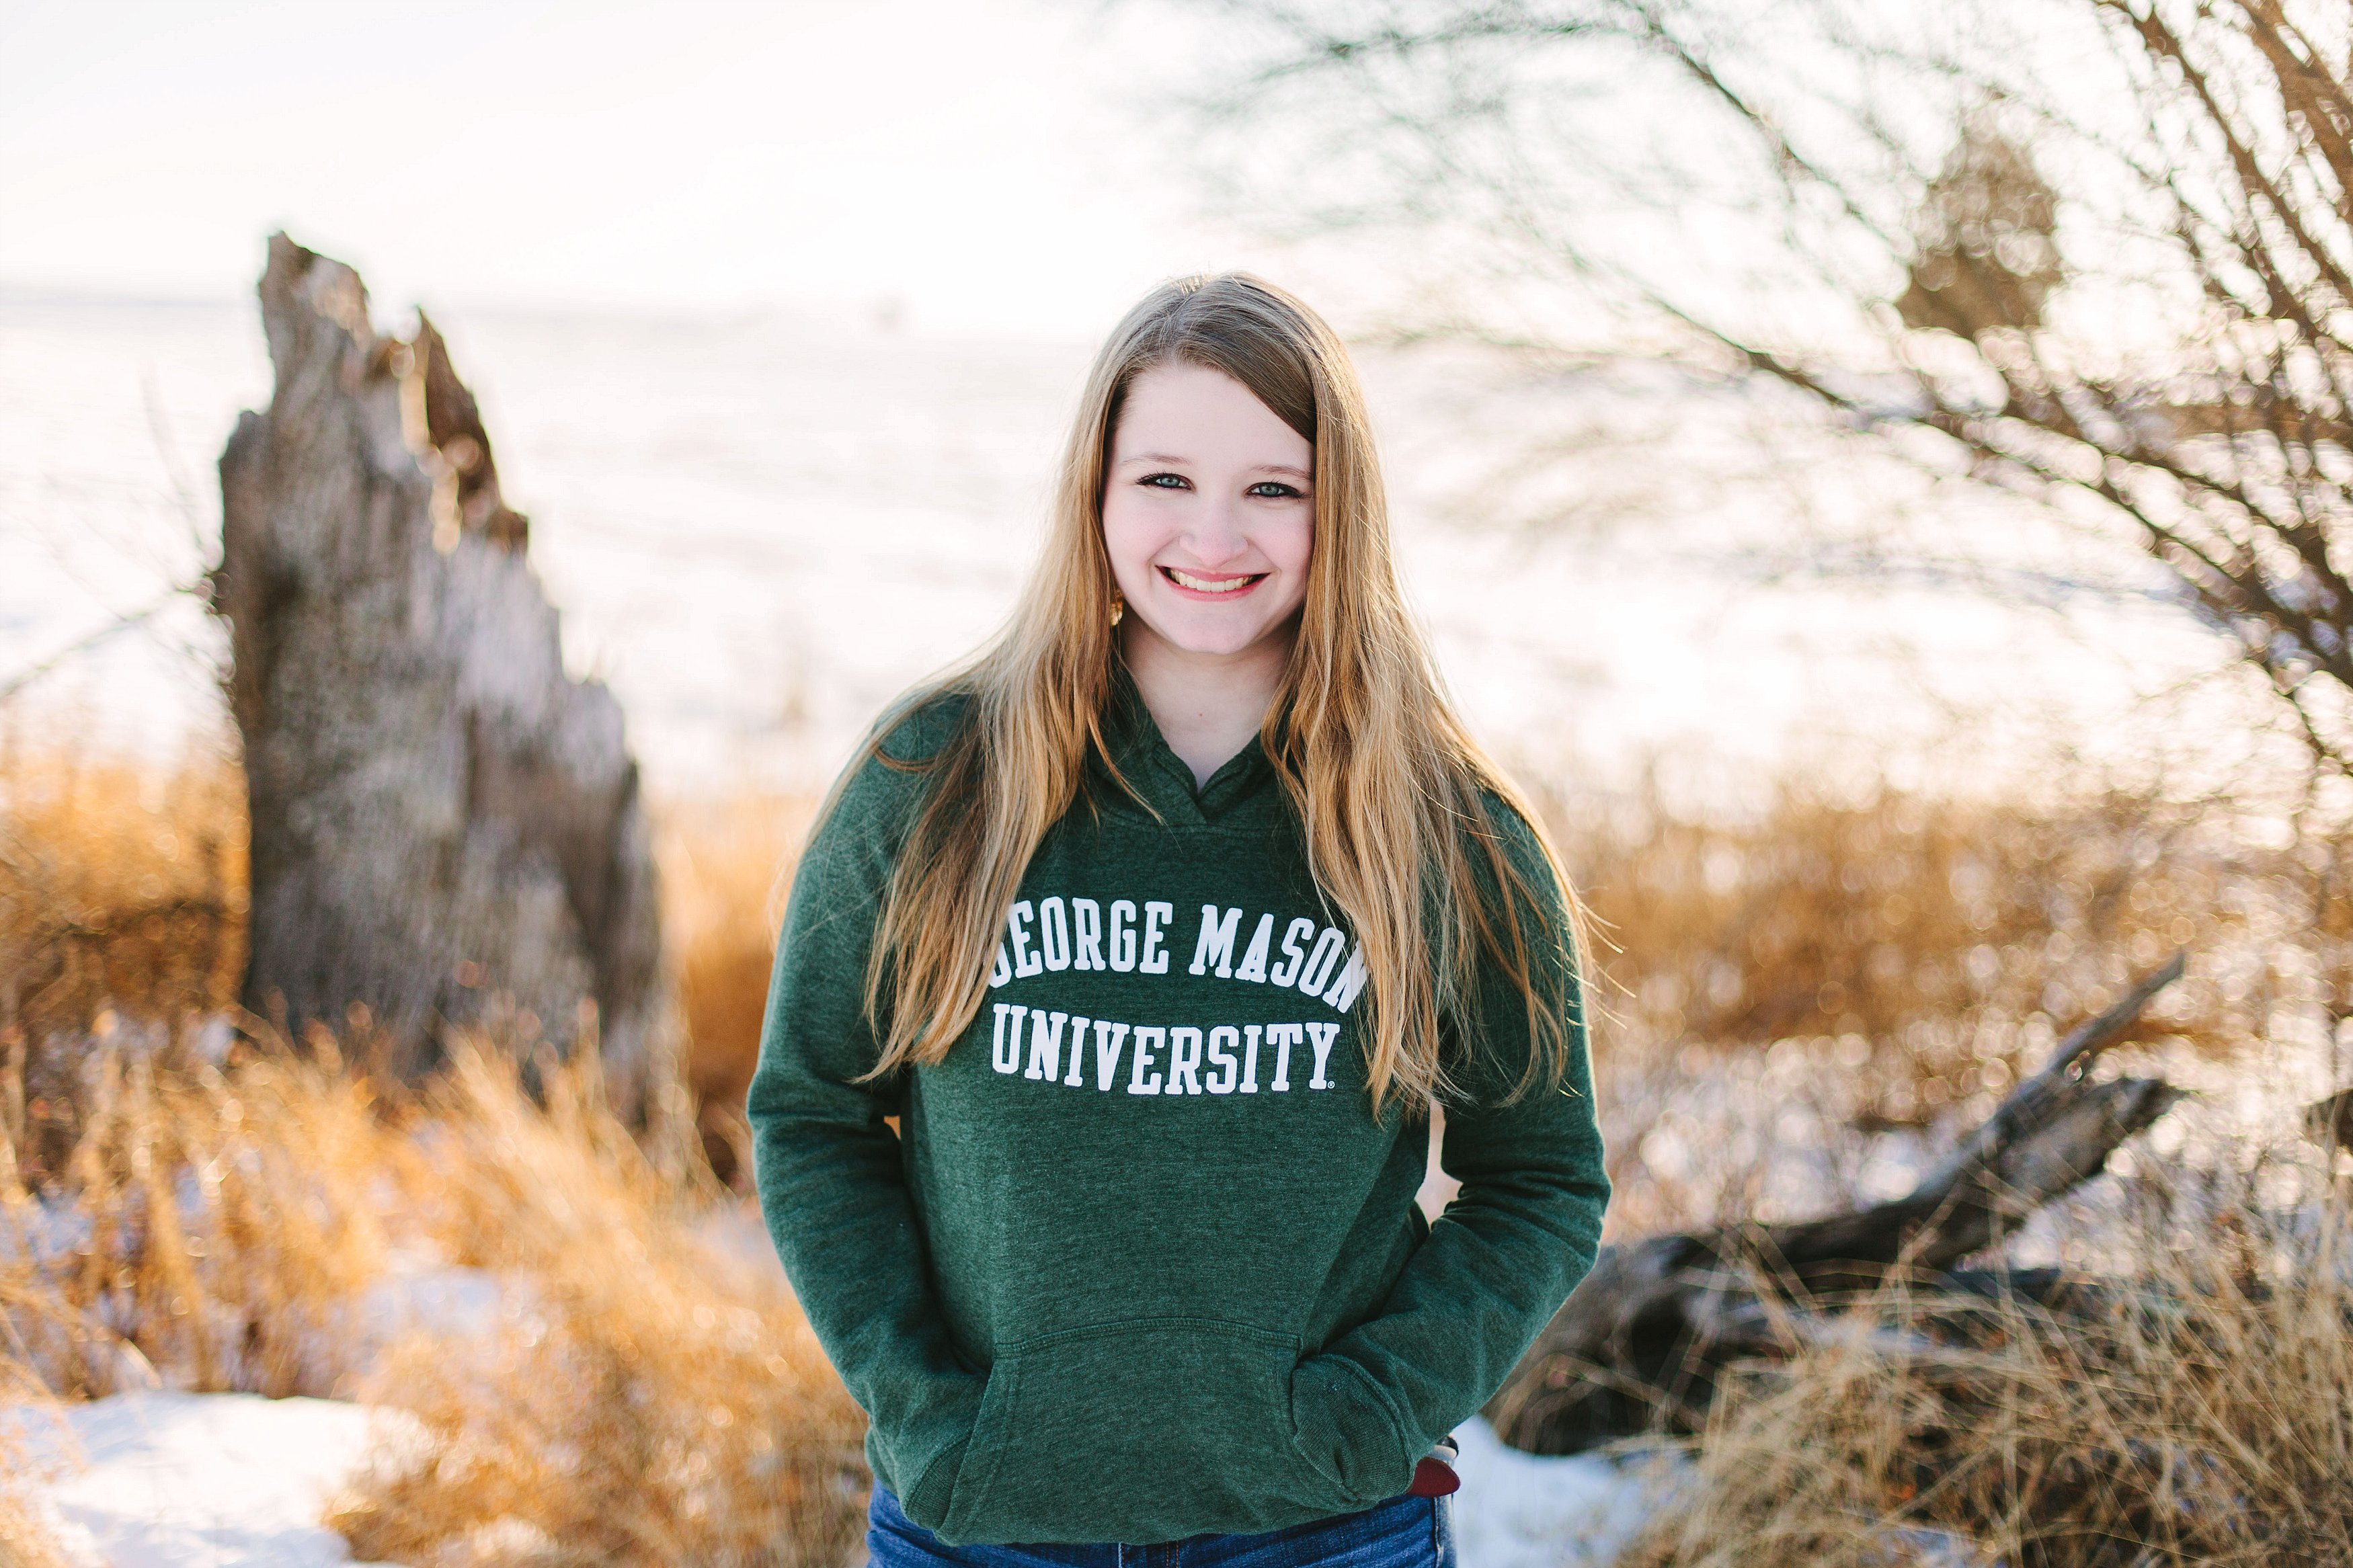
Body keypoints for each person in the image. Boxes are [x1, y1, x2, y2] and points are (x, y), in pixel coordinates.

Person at [749, 274, 1609, 1567]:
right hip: (986, 1528)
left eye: (1274, 487)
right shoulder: (937, 779)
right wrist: (929, 1411)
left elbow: (1539, 1176)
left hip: (1322, 1531)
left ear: (1342, 510)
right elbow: (813, 1115)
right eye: (1163, 480)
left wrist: (1375, 1406)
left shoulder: (1444, 825)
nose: (1215, 533)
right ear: (1093, 491)